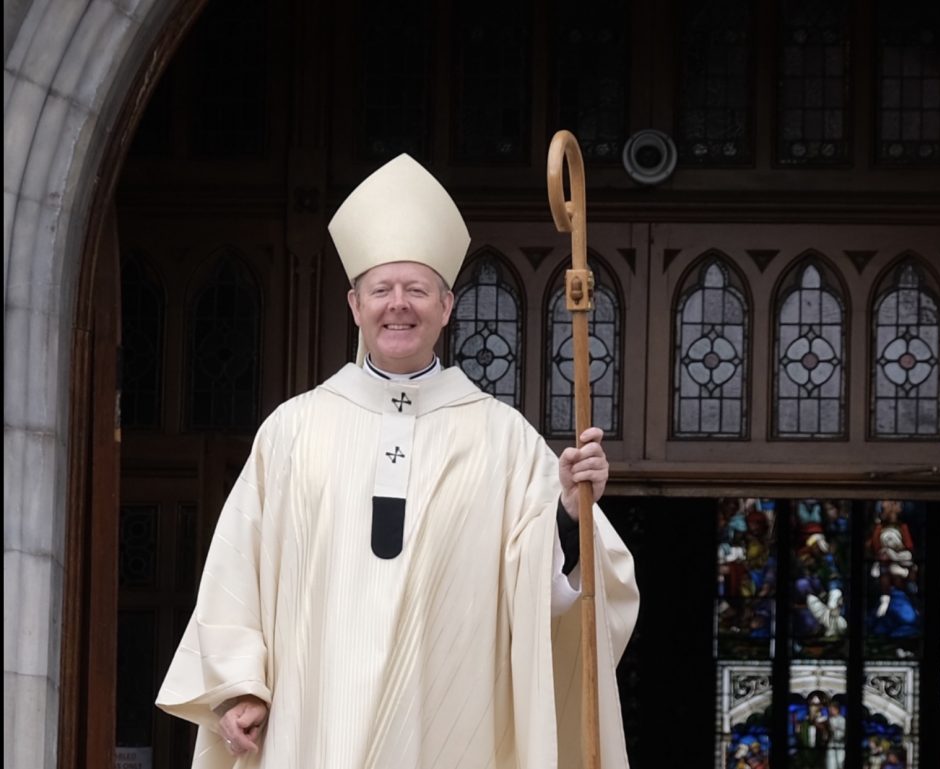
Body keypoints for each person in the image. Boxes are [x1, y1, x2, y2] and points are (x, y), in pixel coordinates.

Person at [155, 154, 640, 768]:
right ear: (355, 305)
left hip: (450, 722)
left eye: (416, 290)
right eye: (382, 290)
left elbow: (544, 593)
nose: (398, 305)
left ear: (447, 304)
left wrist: (570, 511)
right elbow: (237, 571)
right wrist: (239, 686)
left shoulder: (504, 438)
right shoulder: (293, 431)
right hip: (316, 722)